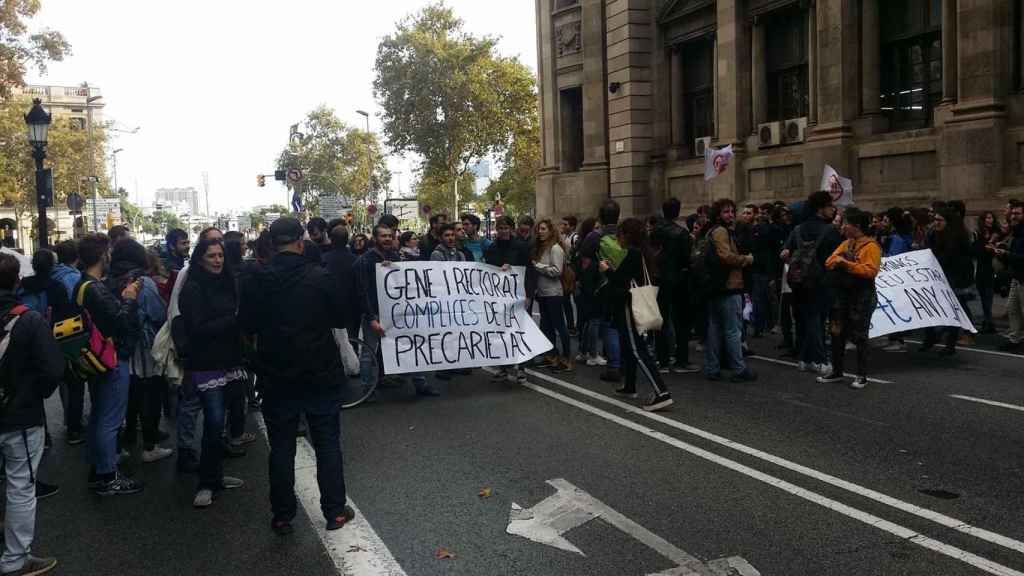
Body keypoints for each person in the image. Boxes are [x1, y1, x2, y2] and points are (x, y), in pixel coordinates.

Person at [238, 217, 355, 534]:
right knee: (327, 443)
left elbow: (246, 325)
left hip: (277, 375)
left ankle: (282, 515)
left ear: (273, 245)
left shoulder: (257, 280)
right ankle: (334, 511)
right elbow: (340, 317)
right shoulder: (320, 277)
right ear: (301, 243)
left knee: (282, 448)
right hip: (320, 373)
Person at [0, 252, 63, 576]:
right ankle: (15, 559)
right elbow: (53, 369)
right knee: (21, 486)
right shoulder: (28, 319)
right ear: (16, 282)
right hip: (19, 417)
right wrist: (32, 394)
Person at [179, 237, 246, 508]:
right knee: (214, 421)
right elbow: (196, 328)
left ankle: (215, 476)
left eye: (220, 255)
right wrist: (233, 321)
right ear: (200, 259)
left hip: (229, 359)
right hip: (206, 363)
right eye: (211, 256)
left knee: (221, 423)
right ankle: (206, 483)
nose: (217, 260)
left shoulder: (230, 282)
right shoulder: (193, 287)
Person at [77, 233, 144, 496]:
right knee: (110, 419)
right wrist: (128, 298)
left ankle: (98, 467)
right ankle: (108, 476)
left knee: (98, 415)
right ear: (104, 255)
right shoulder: (95, 288)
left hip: (93, 357)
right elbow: (119, 321)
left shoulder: (83, 285)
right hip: (110, 357)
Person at [354, 225, 439, 397]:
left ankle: (420, 383)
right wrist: (371, 318)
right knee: (369, 352)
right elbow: (362, 292)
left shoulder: (395, 256)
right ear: (375, 239)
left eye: (389, 236)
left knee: (411, 344)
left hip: (397, 312)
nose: (387, 239)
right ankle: (367, 389)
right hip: (375, 313)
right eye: (383, 236)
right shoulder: (365, 261)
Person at [598, 218, 673, 411]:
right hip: (633, 303)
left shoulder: (633, 254)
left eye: (620, 233)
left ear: (627, 236)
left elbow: (619, 280)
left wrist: (607, 270)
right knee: (629, 346)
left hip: (629, 306)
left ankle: (661, 392)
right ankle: (629, 385)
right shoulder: (643, 253)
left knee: (636, 349)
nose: (617, 237)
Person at [110, 240, 172, 464]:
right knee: (151, 395)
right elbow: (157, 313)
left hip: (120, 348)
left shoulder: (110, 279)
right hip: (143, 347)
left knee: (129, 398)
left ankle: (123, 443)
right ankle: (150, 445)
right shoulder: (142, 282)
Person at [818, 208, 881, 389]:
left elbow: (870, 271)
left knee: (860, 336)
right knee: (836, 332)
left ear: (857, 226)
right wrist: (842, 261)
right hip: (842, 296)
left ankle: (861, 375)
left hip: (862, 297)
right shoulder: (845, 244)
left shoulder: (871, 246)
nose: (843, 227)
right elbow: (829, 261)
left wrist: (846, 263)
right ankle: (837, 371)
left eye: (846, 223)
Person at [783, 192, 842, 374]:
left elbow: (786, 252)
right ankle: (820, 359)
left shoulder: (798, 229)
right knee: (817, 320)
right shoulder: (830, 231)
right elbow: (836, 258)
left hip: (799, 280)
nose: (833, 209)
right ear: (820, 208)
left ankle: (804, 358)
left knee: (804, 319)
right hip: (821, 281)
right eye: (830, 206)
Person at [704, 199, 758, 383]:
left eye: (732, 211)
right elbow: (726, 256)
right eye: (726, 212)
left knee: (715, 328)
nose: (731, 215)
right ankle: (738, 368)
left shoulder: (711, 231)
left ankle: (713, 367)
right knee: (732, 330)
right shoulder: (720, 231)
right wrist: (746, 259)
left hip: (715, 287)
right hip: (728, 285)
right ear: (718, 214)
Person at [579, 201, 625, 382]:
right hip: (624, 283)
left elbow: (583, 258)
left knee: (608, 325)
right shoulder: (624, 234)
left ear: (601, 216)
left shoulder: (594, 236)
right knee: (623, 325)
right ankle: (623, 362)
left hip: (603, 285)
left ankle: (613, 365)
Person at [920, 208, 974, 356]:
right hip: (937, 277)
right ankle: (930, 337)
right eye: (935, 219)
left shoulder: (957, 237)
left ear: (948, 222)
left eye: (939, 220)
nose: (935, 222)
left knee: (952, 311)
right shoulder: (933, 234)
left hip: (953, 279)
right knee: (929, 307)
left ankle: (950, 344)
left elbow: (951, 258)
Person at [485, 216, 531, 383]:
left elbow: (529, 270)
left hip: (518, 294)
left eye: (506, 228)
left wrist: (528, 294)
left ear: (511, 229)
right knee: (501, 331)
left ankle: (522, 368)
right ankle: (503, 367)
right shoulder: (491, 248)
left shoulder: (521, 246)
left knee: (519, 331)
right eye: (500, 228)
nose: (503, 231)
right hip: (499, 296)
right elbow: (488, 271)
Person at [654, 198, 698, 374]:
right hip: (679, 279)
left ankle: (662, 360)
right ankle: (681, 360)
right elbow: (687, 259)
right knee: (682, 322)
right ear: (678, 211)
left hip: (660, 279)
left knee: (661, 321)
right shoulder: (682, 233)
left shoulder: (655, 231)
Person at [52, 240, 85, 445]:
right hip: (71, 334)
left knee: (66, 380)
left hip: (51, 333)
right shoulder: (74, 278)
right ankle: (75, 426)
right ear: (77, 257)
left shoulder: (52, 275)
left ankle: (70, 420)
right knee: (76, 382)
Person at [532, 219, 573, 372]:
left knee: (559, 326)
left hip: (554, 293)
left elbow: (557, 271)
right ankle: (551, 356)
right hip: (542, 293)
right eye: (538, 229)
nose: (540, 231)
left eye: (543, 229)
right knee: (546, 326)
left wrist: (538, 266)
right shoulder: (542, 248)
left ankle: (566, 358)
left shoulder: (555, 248)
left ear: (550, 231)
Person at [323, 225, 360, 341]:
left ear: (331, 239)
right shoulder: (356, 260)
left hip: (330, 307)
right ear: (347, 239)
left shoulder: (323, 259)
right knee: (351, 341)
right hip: (352, 308)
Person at [974, 211, 1002, 333]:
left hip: (992, 268)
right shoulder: (978, 234)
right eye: (986, 218)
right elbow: (976, 251)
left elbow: (1000, 249)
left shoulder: (997, 233)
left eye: (991, 217)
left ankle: (989, 322)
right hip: (981, 268)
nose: (989, 220)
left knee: (988, 297)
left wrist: (992, 244)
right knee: (983, 296)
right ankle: (987, 322)